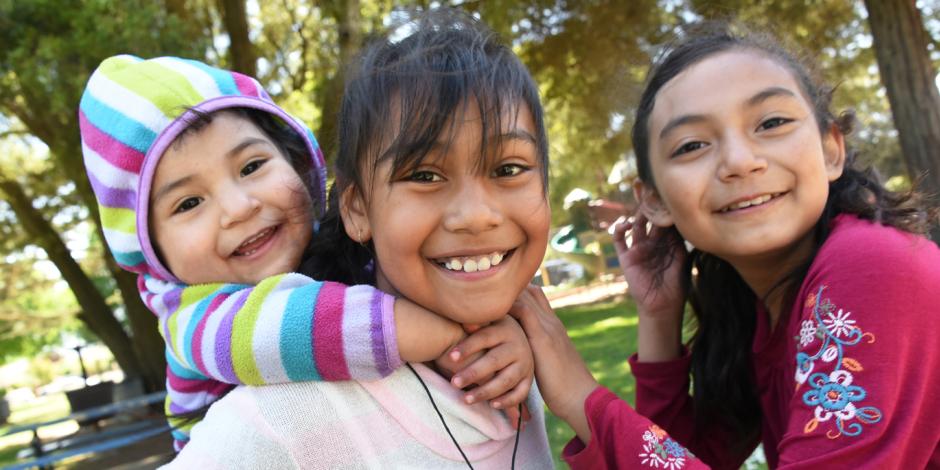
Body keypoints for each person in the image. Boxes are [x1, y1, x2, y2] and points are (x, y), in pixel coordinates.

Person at [509, 23, 940, 469]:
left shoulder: (875, 265)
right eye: (692, 145)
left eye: (771, 123)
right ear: (654, 200)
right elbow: (689, 456)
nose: (739, 161)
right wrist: (658, 315)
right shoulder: (760, 308)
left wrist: (580, 396)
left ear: (831, 150)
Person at [78, 53, 534, 451]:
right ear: (151, 250)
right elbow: (291, 329)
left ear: (298, 163)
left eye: (252, 166)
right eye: (189, 203)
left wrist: (500, 343)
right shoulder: (192, 320)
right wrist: (456, 339)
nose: (239, 207)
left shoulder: (352, 252)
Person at [166, 10, 554, 468]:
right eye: (424, 175)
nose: (476, 216)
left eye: (508, 169)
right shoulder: (276, 421)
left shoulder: (522, 360)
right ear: (357, 210)